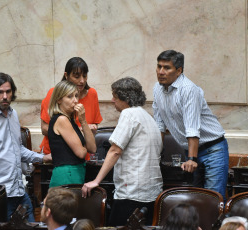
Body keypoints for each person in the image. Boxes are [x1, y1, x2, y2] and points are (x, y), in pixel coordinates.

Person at [82, 77, 163, 226]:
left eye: (115, 96)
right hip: (151, 192)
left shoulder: (129, 114)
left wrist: (96, 181)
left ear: (126, 98)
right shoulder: (148, 117)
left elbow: (115, 151)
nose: (112, 100)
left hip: (132, 192)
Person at [0, 72, 48, 222]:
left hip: (18, 191)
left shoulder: (13, 115)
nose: (5, 96)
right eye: (0, 92)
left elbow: (17, 149)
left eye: (8, 91)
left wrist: (42, 158)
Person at [152, 50, 229, 199]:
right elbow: (159, 126)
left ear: (179, 70)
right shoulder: (157, 89)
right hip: (190, 150)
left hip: (213, 149)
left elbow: (192, 126)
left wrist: (192, 159)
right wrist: (156, 155)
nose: (161, 72)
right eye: (159, 66)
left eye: (167, 68)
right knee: (195, 198)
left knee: (213, 198)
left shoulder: (188, 89)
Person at [40, 57, 103, 160]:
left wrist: (88, 127)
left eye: (84, 76)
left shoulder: (92, 93)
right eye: (77, 76)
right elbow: (44, 128)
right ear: (66, 75)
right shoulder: (54, 93)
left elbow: (94, 126)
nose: (82, 81)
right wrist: (80, 129)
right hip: (56, 156)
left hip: (82, 154)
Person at [48, 81, 96, 187]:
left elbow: (92, 148)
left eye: (76, 96)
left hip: (75, 172)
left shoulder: (70, 119)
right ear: (59, 99)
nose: (75, 101)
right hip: (67, 174)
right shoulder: (61, 119)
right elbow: (81, 153)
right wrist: (84, 147)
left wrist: (83, 121)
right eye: (70, 97)